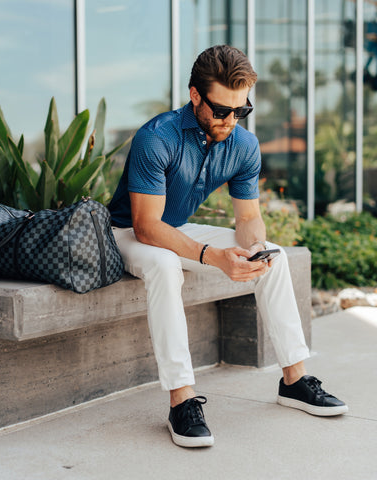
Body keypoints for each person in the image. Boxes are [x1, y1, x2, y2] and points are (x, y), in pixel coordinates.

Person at [108, 45, 348, 448]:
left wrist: (253, 249)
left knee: (271, 254)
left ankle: (295, 379)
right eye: (221, 110)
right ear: (195, 96)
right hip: (126, 234)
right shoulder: (157, 137)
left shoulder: (243, 145)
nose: (231, 120)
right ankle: (181, 400)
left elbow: (248, 218)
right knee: (166, 267)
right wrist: (212, 257)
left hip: (177, 228)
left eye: (241, 111)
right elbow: (147, 227)